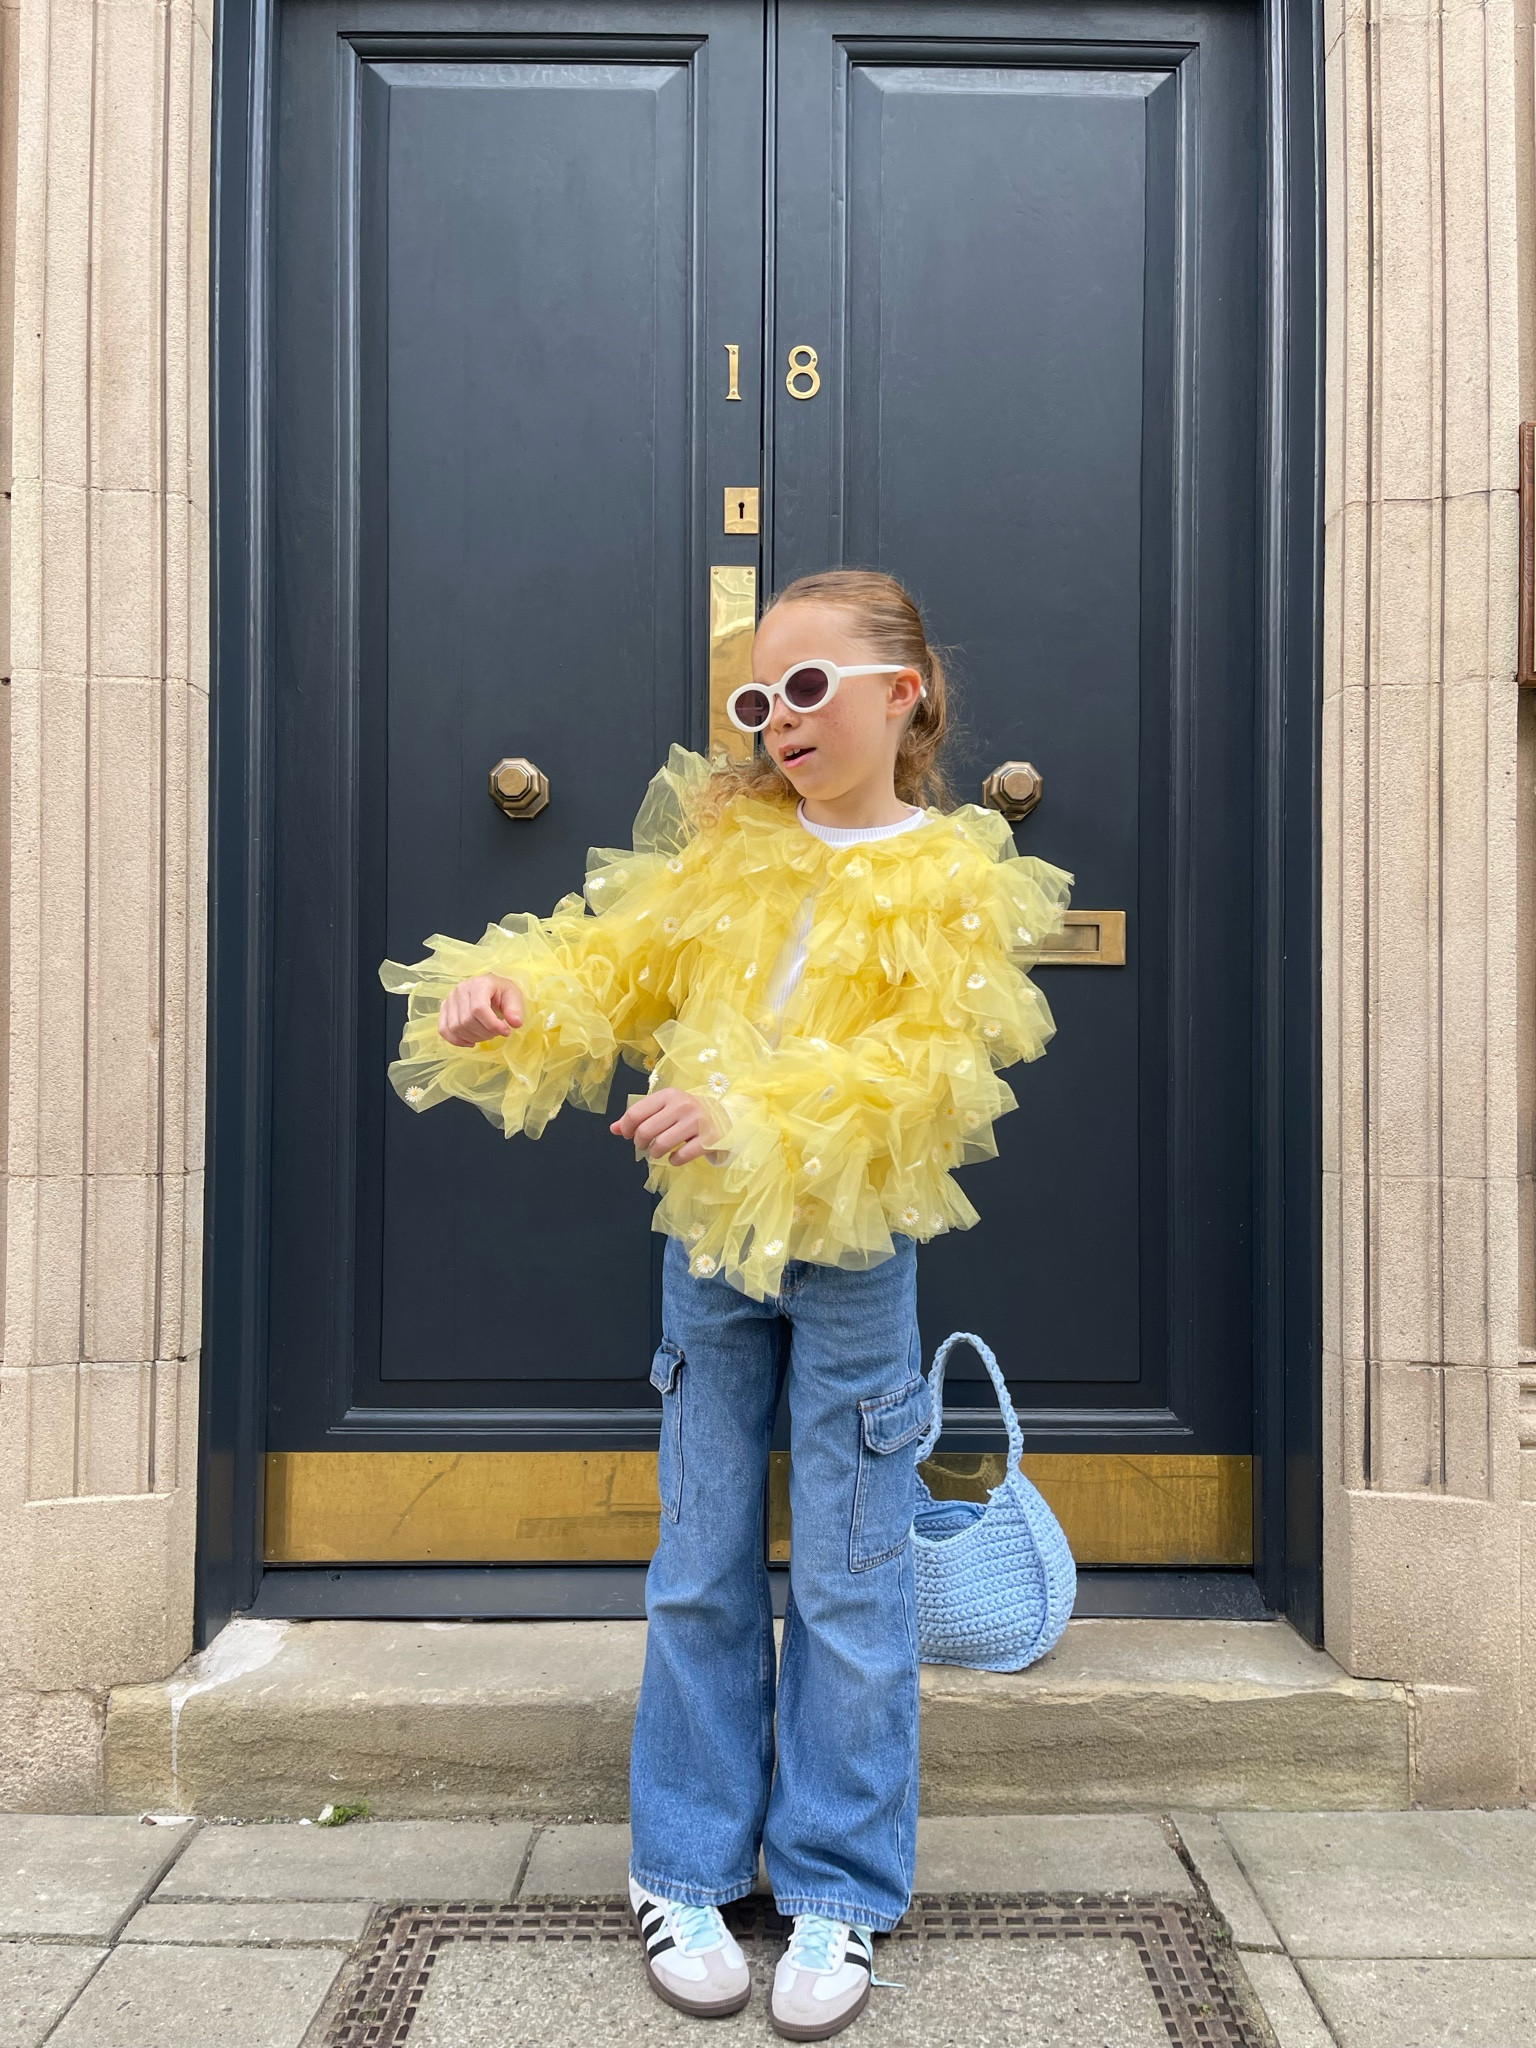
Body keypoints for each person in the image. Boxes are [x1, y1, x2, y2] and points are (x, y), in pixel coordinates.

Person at [380, 568, 1071, 2038]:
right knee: (699, 1562)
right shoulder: (725, 853)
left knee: (849, 1575)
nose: (780, 724)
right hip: (709, 1255)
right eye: (760, 701)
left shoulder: (955, 870)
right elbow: (606, 963)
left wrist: (753, 1115)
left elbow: (932, 1073)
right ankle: (685, 1865)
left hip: (857, 1258)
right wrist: (510, 992)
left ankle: (837, 1885)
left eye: (810, 689)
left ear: (908, 692)